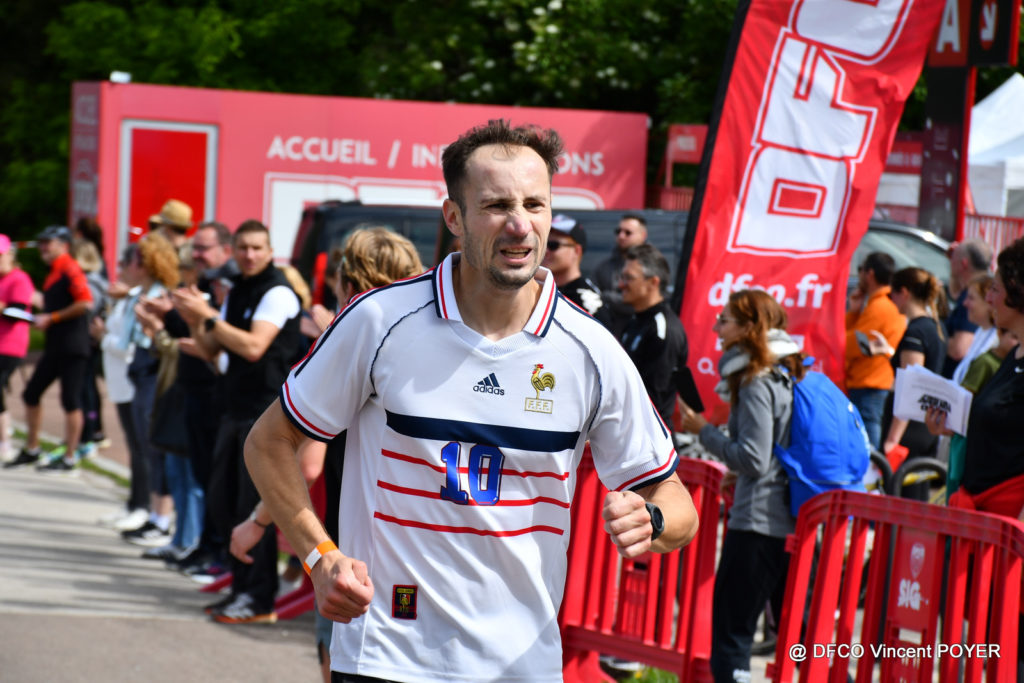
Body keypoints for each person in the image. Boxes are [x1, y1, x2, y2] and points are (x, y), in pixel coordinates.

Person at [242, 120, 699, 682]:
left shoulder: (591, 349)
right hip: (387, 654)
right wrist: (319, 557)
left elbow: (676, 502)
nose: (519, 224)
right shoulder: (380, 320)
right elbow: (270, 442)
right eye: (496, 205)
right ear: (454, 217)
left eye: (535, 204)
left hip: (521, 665)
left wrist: (652, 518)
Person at [231, 226, 425, 683]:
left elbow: (307, 462)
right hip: (423, 542)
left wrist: (258, 522)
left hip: (356, 549)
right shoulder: (425, 344)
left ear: (347, 284)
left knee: (344, 657)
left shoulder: (349, 343)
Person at [172, 219, 302, 624]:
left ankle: (259, 598)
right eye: (243, 247)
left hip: (265, 413)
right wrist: (195, 318)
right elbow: (213, 350)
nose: (249, 255)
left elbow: (253, 346)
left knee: (251, 507)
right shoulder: (239, 289)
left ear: (270, 251)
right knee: (224, 501)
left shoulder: (277, 291)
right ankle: (241, 587)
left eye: (257, 248)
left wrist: (209, 317)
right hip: (232, 408)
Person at [676, 289, 801, 683]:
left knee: (731, 639)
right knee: (799, 636)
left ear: (749, 328)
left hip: (758, 522)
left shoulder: (756, 380)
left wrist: (704, 431)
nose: (716, 328)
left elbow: (754, 458)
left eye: (724, 320)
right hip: (786, 520)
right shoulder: (784, 374)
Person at [9, 225, 93, 472]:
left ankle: (69, 457)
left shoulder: (70, 268)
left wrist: (52, 318)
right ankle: (32, 448)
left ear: (63, 245)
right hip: (57, 345)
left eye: (49, 242)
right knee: (31, 393)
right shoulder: (54, 271)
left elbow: (85, 302)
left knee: (71, 400)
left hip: (73, 345)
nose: (43, 247)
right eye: (42, 242)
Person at [118, 234, 181, 546]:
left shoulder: (160, 296)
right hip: (140, 369)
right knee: (145, 443)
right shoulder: (142, 294)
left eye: (135, 259)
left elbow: (161, 340)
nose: (129, 264)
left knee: (155, 444)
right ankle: (155, 515)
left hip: (153, 371)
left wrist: (152, 327)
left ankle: (161, 518)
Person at [866, 267, 947, 473]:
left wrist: (892, 439)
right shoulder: (935, 327)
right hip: (924, 422)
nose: (891, 300)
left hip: (909, 428)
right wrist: (889, 351)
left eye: (892, 294)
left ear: (904, 292)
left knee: (900, 490)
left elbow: (911, 388)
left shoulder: (916, 331)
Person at [618, 243, 689, 430]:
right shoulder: (636, 320)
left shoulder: (663, 329)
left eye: (628, 278)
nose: (620, 284)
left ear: (653, 283)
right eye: (621, 277)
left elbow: (652, 400)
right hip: (630, 432)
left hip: (650, 438)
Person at [844, 251, 906, 449]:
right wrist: (854, 312)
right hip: (869, 383)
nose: (859, 275)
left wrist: (851, 316)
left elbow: (849, 344)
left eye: (860, 270)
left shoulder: (880, 306)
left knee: (867, 444)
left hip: (869, 385)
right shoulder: (880, 303)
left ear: (870, 273)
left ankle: (874, 469)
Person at [71, 239, 109, 458]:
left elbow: (87, 309)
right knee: (87, 388)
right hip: (89, 341)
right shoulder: (96, 280)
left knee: (86, 388)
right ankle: (92, 431)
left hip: (88, 342)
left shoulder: (90, 282)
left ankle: (90, 432)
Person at [0, 235, 35, 461]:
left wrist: (2, 307)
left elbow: (19, 311)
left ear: (9, 255)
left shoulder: (19, 279)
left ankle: (5, 440)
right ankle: (5, 434)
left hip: (10, 344)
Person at [540, 214, 610, 325]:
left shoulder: (587, 301)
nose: (545, 251)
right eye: (543, 244)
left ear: (577, 251)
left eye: (553, 245)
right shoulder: (540, 290)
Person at [591, 213, 648, 337]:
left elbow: (642, 303)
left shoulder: (652, 266)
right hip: (609, 335)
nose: (621, 236)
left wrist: (606, 297)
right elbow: (592, 300)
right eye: (618, 231)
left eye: (628, 232)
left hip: (641, 335)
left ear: (643, 235)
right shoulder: (604, 267)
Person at [942, 238, 993, 378]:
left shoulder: (974, 297)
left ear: (964, 263)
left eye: (953, 259)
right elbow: (954, 291)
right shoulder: (974, 292)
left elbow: (959, 349)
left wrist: (934, 339)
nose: (965, 303)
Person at [950, 274, 999, 386]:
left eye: (971, 298)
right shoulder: (981, 331)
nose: (965, 303)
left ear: (989, 302)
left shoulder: (998, 339)